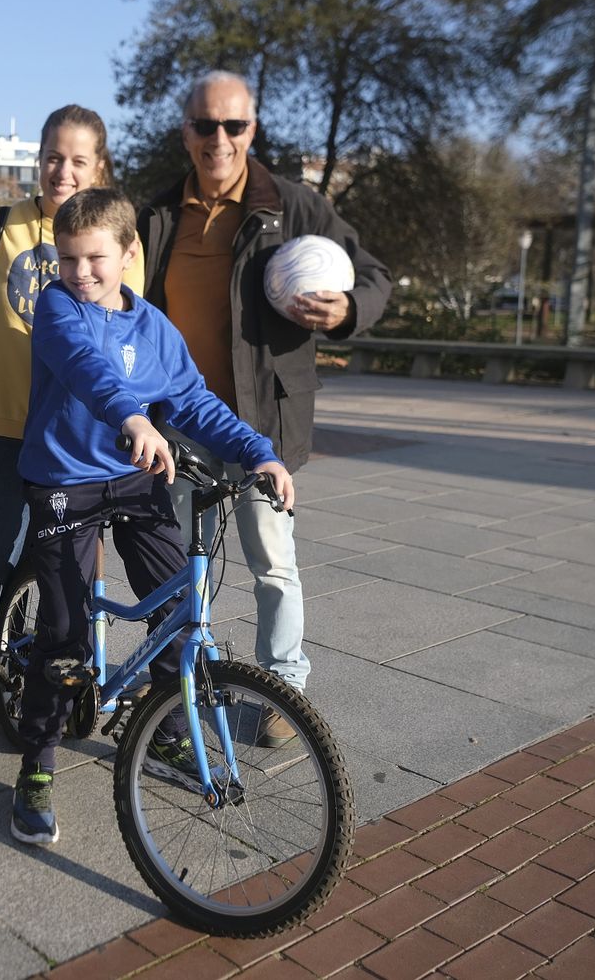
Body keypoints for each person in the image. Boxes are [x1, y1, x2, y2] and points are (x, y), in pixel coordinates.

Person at [9, 189, 294, 846]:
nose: (80, 273)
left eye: (95, 259)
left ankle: (165, 734)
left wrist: (259, 454)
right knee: (64, 632)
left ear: (129, 254)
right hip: (63, 482)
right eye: (68, 259)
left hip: (135, 480)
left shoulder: (156, 328)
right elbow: (87, 371)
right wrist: (134, 418)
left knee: (178, 609)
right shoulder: (57, 307)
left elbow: (193, 402)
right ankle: (37, 768)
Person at [137, 71, 391, 743]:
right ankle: (178, 683)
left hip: (260, 427)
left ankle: (282, 689)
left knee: (272, 566)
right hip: (178, 428)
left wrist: (346, 309)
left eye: (234, 126)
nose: (218, 139)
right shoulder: (159, 213)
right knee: (172, 569)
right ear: (185, 131)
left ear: (253, 129)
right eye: (204, 126)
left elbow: (375, 279)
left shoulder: (295, 207)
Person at [0, 105, 126, 717]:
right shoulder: (2, 228)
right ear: (39, 158)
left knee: (70, 570)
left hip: (77, 440)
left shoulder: (117, 240)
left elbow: (132, 335)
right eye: (54, 156)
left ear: (98, 165)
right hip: (2, 426)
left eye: (79, 160)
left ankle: (71, 679)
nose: (63, 171)